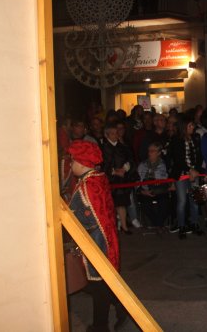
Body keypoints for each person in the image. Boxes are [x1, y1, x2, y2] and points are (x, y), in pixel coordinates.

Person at [67, 140, 126, 332]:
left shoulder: (87, 185)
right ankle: (120, 305)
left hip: (97, 241)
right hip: (104, 237)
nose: (70, 164)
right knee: (99, 283)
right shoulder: (96, 177)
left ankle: (100, 326)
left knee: (98, 284)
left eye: (72, 160)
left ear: (82, 162)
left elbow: (86, 217)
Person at [169, 116, 204, 239]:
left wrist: (196, 170)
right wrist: (190, 170)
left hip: (194, 173)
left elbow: (200, 156)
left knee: (195, 200)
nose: (192, 127)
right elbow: (177, 159)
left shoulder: (195, 138)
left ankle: (194, 223)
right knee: (182, 201)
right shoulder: (176, 140)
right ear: (183, 127)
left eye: (192, 125)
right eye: (190, 126)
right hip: (181, 174)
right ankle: (182, 225)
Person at [101, 123, 135, 235]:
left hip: (122, 180)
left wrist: (124, 169)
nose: (116, 135)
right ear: (106, 135)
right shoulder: (103, 148)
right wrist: (114, 171)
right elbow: (103, 165)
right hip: (110, 180)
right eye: (112, 133)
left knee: (122, 204)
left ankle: (124, 226)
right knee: (109, 206)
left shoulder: (123, 147)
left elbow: (130, 159)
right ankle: (111, 228)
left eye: (116, 133)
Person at [136, 142, 170, 232]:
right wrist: (143, 191)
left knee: (165, 202)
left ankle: (158, 224)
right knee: (145, 205)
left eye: (152, 151)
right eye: (149, 151)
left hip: (160, 189)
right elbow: (137, 180)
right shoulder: (142, 165)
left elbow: (167, 179)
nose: (149, 153)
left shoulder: (164, 164)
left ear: (159, 153)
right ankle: (159, 224)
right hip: (145, 190)